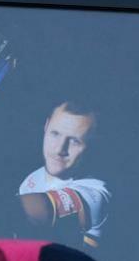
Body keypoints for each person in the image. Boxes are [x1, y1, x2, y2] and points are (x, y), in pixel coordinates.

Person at [16, 101, 110, 250]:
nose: (60, 149)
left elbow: (38, 210)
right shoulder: (33, 179)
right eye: (55, 134)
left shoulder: (96, 193)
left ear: (92, 145)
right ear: (46, 126)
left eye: (74, 141)